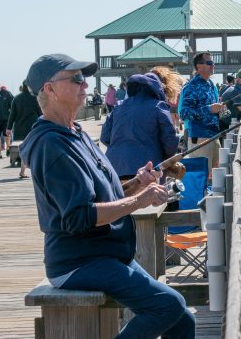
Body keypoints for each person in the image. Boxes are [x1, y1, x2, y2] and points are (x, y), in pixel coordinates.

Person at [20, 53, 195, 339]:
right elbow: (80, 216)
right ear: (48, 90)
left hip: (107, 254)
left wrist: (137, 184)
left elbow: (106, 196)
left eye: (84, 78)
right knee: (168, 306)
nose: (85, 85)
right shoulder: (51, 145)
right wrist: (139, 201)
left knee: (182, 319)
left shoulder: (77, 133)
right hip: (79, 262)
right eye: (75, 79)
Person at [101, 72, 179, 180]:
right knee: (149, 197)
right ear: (157, 89)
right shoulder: (158, 106)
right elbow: (170, 141)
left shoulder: (119, 107)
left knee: (121, 197)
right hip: (147, 170)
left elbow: (104, 137)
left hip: (115, 168)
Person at [179, 51, 223, 176]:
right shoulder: (191, 86)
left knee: (216, 176)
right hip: (199, 138)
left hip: (214, 136)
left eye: (212, 63)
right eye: (209, 63)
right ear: (199, 66)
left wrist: (219, 109)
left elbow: (212, 110)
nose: (212, 65)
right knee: (202, 176)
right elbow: (184, 114)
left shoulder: (210, 85)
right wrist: (209, 109)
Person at [6, 82, 41, 179]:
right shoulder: (35, 98)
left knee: (24, 149)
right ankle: (30, 170)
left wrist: (8, 128)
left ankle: (23, 171)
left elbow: (12, 114)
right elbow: (40, 113)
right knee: (34, 149)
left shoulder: (16, 98)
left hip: (19, 127)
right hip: (33, 126)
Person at [149, 66, 184, 132]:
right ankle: (177, 128)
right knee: (176, 118)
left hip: (171, 106)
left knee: (173, 118)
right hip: (176, 106)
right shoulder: (176, 91)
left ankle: (175, 128)